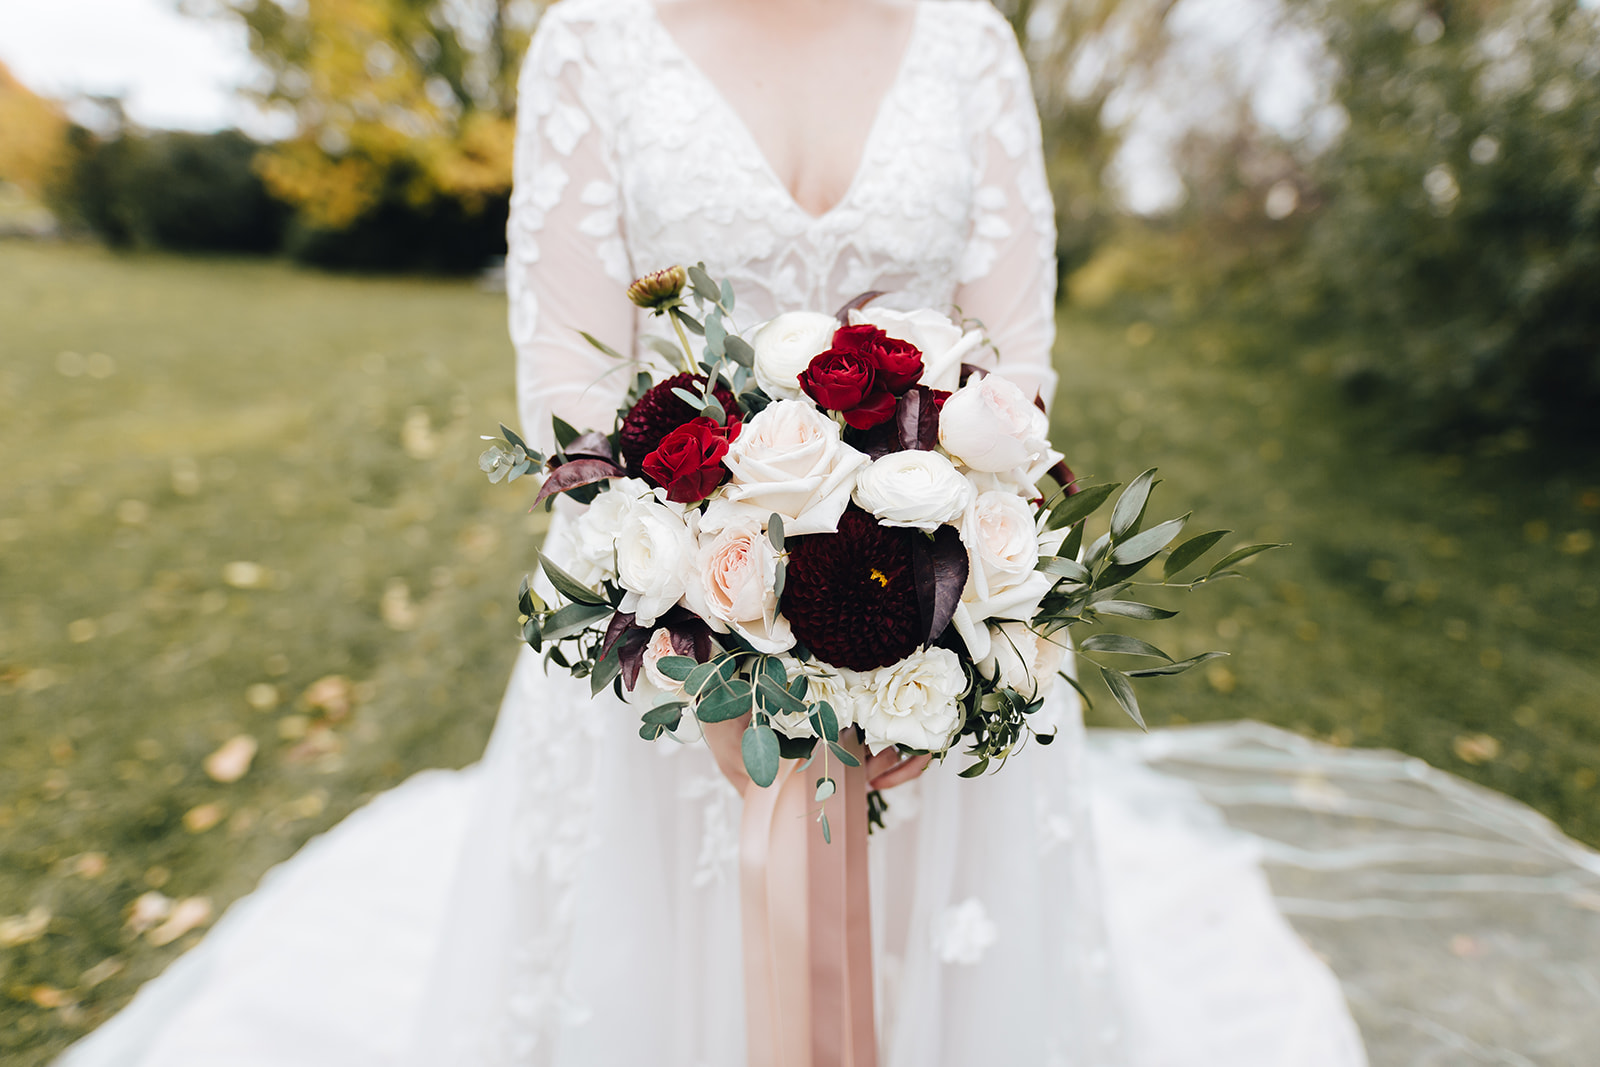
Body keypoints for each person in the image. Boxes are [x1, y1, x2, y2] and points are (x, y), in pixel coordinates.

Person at [60, 1, 1382, 1064]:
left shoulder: (970, 42)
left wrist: (952, 608)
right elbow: (573, 412)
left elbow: (1014, 373)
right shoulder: (593, 40)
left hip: (945, 629)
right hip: (667, 639)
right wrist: (712, 637)